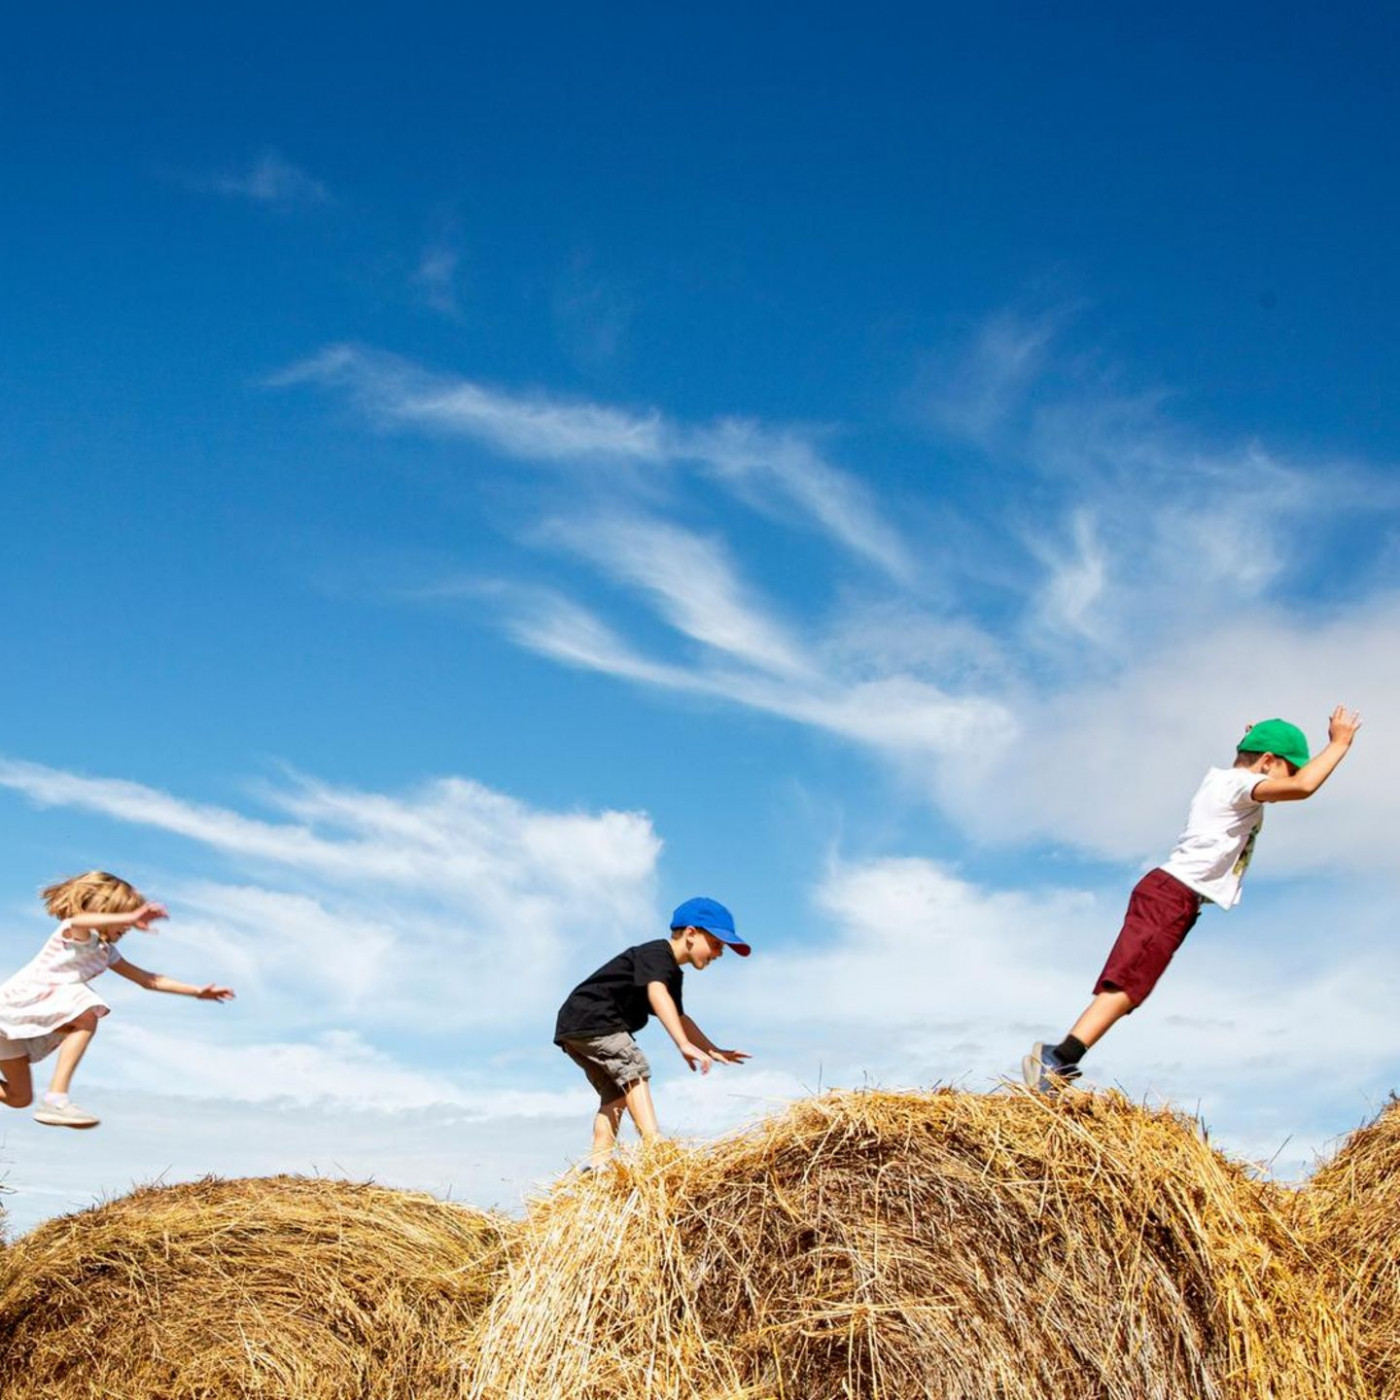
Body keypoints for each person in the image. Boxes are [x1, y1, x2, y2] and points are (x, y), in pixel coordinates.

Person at [1024, 706, 1362, 1092]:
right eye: (1290, 768)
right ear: (1268, 761)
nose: (1287, 784)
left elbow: (1279, 774)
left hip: (1176, 898)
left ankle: (1060, 1057)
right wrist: (1339, 744)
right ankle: (1057, 1059)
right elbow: (1303, 787)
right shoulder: (1236, 784)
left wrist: (1256, 739)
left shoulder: (1228, 782)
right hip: (1172, 894)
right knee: (1127, 986)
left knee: (1133, 988)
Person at [0, 870, 235, 1128]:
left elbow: (148, 980)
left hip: (14, 1027)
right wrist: (131, 917)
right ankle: (56, 1098)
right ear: (104, 912)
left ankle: (54, 1100)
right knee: (87, 1011)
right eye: (123, 917)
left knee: (19, 1097)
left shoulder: (106, 952)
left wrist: (197, 991)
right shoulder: (75, 934)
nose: (128, 926)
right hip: (11, 1009)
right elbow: (79, 920)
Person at [554, 896, 751, 1169]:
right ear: (691, 934)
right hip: (595, 1018)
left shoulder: (670, 971)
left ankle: (596, 1165)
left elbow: (679, 1017)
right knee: (634, 1067)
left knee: (616, 1095)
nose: (719, 954)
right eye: (717, 944)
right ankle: (655, 1146)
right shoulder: (657, 954)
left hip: (575, 1025)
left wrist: (711, 1048)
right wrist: (682, 1044)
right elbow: (657, 993)